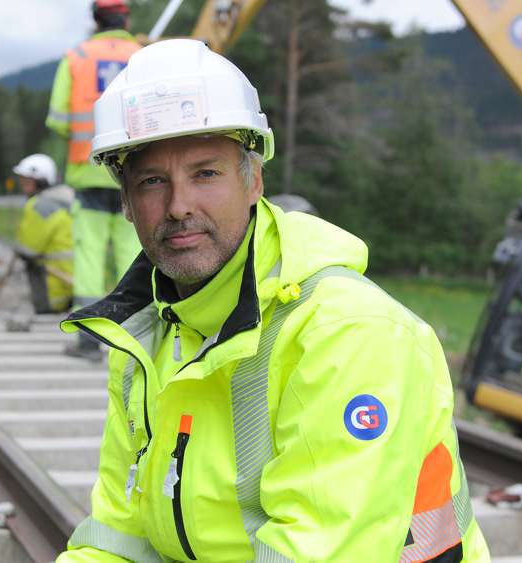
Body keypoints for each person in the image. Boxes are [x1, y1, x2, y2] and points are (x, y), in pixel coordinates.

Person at [57, 39, 489, 562]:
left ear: (254, 181)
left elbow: (317, 551)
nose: (178, 206)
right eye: (152, 182)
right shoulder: (146, 337)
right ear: (126, 203)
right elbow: (120, 536)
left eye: (206, 173)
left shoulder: (347, 332)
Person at [47, 0, 142, 358]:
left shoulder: (76, 57)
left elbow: (58, 119)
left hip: (89, 170)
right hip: (133, 173)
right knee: (131, 252)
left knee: (88, 254)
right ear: (126, 18)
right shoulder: (142, 55)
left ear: (95, 18)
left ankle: (88, 340)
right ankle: (131, 340)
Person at [13, 153, 75, 314]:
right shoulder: (69, 199)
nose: (23, 186)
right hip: (78, 286)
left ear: (41, 181)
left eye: (27, 182)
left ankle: (44, 310)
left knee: (31, 262)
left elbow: (28, 250)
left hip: (55, 290)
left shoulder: (38, 206)